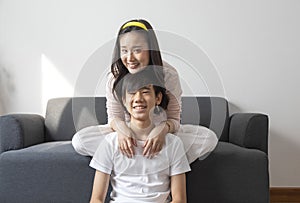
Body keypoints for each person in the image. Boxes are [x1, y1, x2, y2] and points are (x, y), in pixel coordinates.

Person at [72, 19, 218, 162]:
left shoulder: (168, 74)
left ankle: (142, 156)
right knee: (80, 140)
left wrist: (161, 131)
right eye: (124, 51)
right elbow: (114, 117)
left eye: (137, 50)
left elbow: (174, 118)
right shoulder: (114, 77)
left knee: (208, 138)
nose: (130, 58)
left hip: (161, 132)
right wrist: (123, 131)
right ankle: (151, 157)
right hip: (128, 132)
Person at [89, 67, 190, 203]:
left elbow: (179, 200)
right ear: (124, 100)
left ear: (158, 98)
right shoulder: (110, 142)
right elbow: (96, 199)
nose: (138, 99)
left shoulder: (174, 143)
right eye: (132, 93)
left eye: (145, 92)